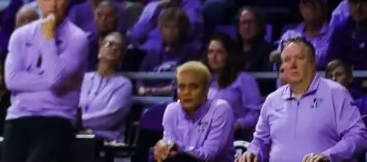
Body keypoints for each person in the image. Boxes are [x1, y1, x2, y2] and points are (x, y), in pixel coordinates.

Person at [238, 37, 367, 162]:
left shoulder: (336, 93)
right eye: (287, 60)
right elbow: (260, 141)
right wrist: (252, 153)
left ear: (312, 64)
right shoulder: (272, 100)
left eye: (299, 58)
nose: (293, 64)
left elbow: (358, 136)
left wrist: (329, 156)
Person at [3, 0, 89, 162]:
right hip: (19, 115)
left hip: (56, 118)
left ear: (66, 1)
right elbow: (12, 80)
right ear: (39, 1)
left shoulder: (77, 38)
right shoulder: (20, 35)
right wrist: (53, 82)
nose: (54, 4)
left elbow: (55, 77)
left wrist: (48, 37)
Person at [156, 61, 235, 162]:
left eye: (194, 87)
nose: (186, 92)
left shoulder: (221, 109)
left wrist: (177, 146)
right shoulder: (172, 110)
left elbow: (207, 156)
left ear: (206, 89)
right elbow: (168, 145)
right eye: (182, 86)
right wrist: (163, 148)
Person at [78, 31, 132, 142]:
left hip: (105, 140)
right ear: (100, 49)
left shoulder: (124, 84)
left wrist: (78, 122)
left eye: (119, 48)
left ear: (121, 57)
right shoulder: (83, 79)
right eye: (109, 44)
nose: (113, 49)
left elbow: (111, 116)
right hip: (76, 135)